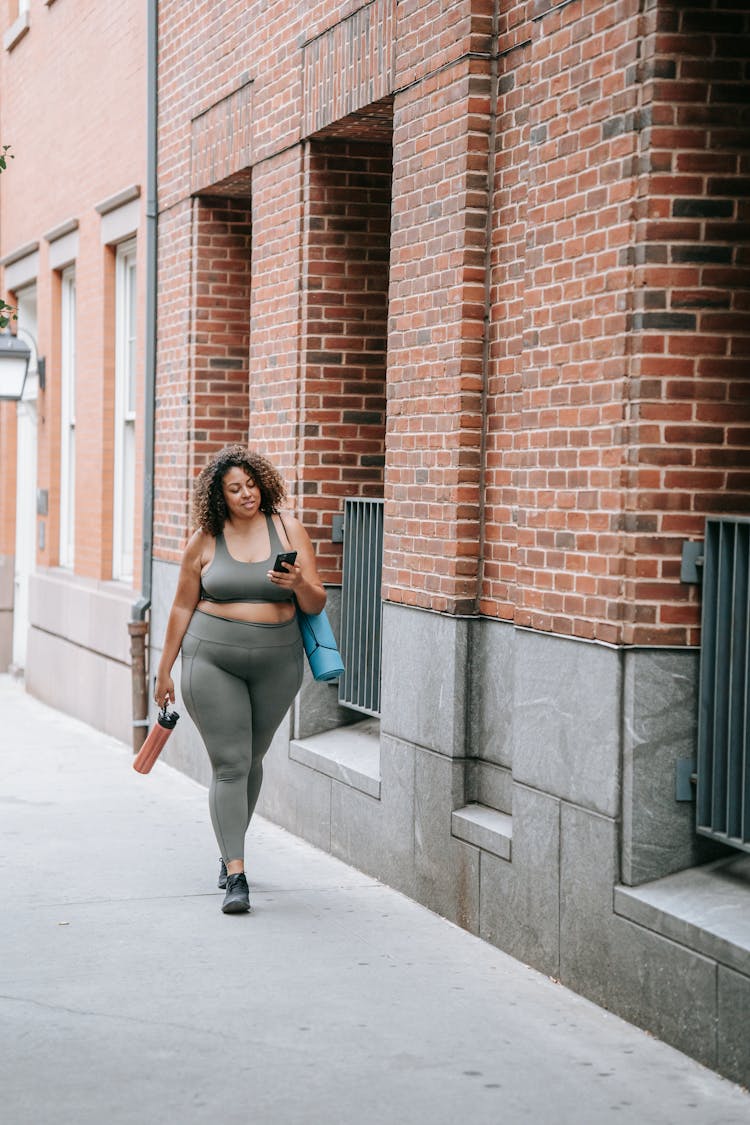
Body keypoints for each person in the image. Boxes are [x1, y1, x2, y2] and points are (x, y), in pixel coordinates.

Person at [154, 444, 326, 914]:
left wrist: (298, 586)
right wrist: (164, 667)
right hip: (213, 660)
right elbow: (181, 606)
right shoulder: (206, 539)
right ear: (219, 496)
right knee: (231, 763)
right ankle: (236, 872)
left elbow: (316, 602)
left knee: (252, 759)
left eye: (251, 484)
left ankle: (228, 845)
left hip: (278, 660)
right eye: (234, 489)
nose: (246, 494)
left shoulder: (288, 527)